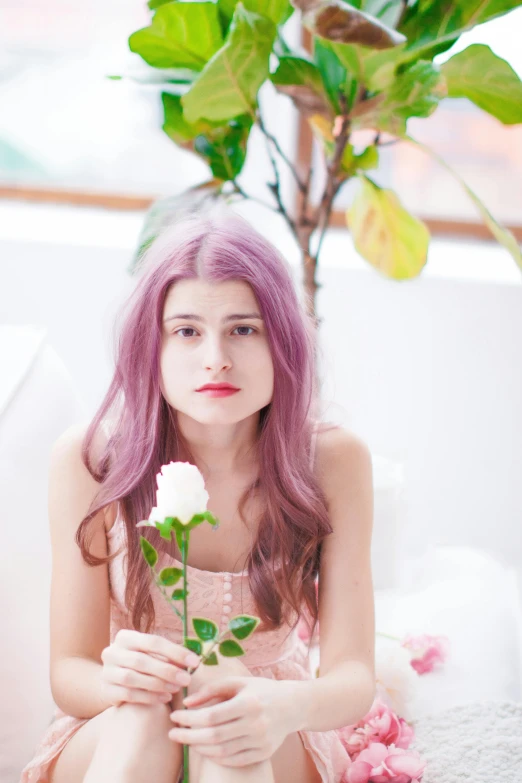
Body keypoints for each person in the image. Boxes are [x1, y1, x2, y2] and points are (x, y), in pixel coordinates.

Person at [19, 206, 376, 783]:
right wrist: (120, 678)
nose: (216, 358)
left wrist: (286, 705)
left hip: (267, 722)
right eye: (186, 331)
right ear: (151, 348)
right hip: (124, 722)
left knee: (225, 733)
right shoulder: (92, 459)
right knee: (147, 721)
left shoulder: (332, 463)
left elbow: (354, 674)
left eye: (243, 328)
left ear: (282, 341)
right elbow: (71, 672)